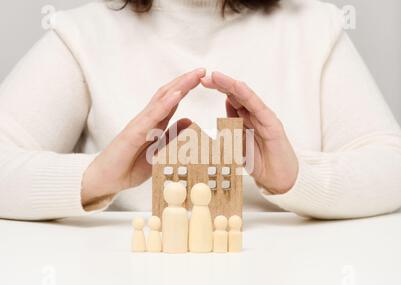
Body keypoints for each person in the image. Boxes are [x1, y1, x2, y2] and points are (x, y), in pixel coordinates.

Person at [0, 0, 400, 221]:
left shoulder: (315, 25)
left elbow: (391, 168)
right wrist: (95, 178)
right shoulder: (82, 34)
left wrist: (295, 179)